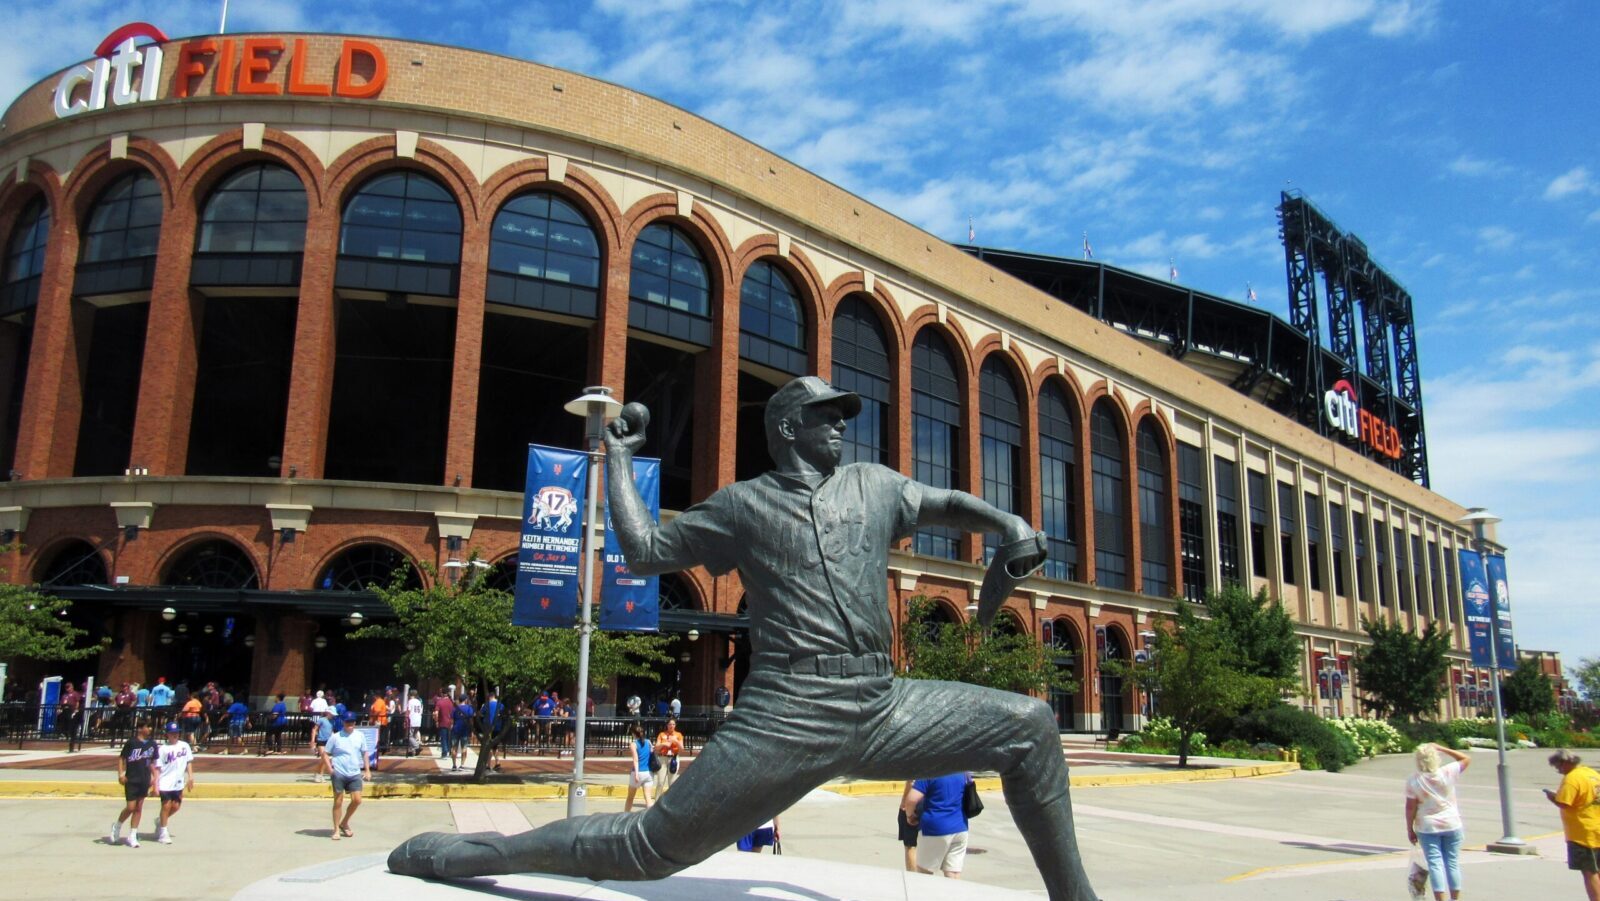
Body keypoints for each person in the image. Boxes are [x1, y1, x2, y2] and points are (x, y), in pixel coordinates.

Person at [389, 376, 1099, 901]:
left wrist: (1006, 524)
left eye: (842, 419)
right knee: (649, 847)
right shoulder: (743, 505)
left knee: (1030, 727)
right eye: (827, 418)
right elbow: (642, 550)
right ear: (788, 428)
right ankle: (466, 855)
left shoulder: (873, 485)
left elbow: (942, 503)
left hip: (881, 700)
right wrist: (619, 463)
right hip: (788, 709)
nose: (840, 429)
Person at [1405, 743, 1471, 901]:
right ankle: (1455, 898)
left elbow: (1410, 808)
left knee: (1435, 864)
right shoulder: (1447, 772)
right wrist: (1442, 748)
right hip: (1452, 823)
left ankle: (1440, 899)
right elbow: (1466, 758)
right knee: (1452, 862)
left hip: (1427, 826)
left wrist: (1410, 829)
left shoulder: (1414, 781)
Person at [1546, 749, 1600, 901]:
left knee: (1589, 871)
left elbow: (1564, 803)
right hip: (1597, 826)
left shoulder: (1572, 779)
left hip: (1582, 832)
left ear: (1565, 762)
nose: (1559, 771)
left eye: (1558, 767)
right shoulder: (1592, 774)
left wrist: (1551, 796)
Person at [903, 773, 971, 879]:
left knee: (925, 872)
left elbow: (911, 799)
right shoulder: (962, 771)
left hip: (934, 829)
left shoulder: (932, 772)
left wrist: (909, 815)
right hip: (960, 828)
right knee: (953, 873)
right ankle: (953, 895)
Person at [322, 713, 373, 840]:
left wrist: (367, 770)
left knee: (357, 800)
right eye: (347, 722)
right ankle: (335, 830)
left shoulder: (360, 736)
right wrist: (329, 768)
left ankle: (344, 823)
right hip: (339, 772)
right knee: (338, 801)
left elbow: (364, 753)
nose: (350, 725)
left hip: (354, 772)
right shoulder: (336, 737)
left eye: (352, 722)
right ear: (343, 723)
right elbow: (325, 753)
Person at [111, 721, 159, 848]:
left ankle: (132, 835)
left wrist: (155, 779)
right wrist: (121, 774)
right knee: (130, 807)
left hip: (144, 779)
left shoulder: (152, 744)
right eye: (147, 726)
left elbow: (153, 763)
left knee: (139, 807)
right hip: (132, 778)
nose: (149, 729)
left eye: (150, 726)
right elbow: (122, 758)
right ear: (140, 729)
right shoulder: (131, 743)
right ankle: (117, 826)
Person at [154, 722, 194, 844]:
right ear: (167, 734)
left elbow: (188, 761)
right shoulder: (162, 749)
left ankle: (160, 820)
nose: (175, 735)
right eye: (172, 733)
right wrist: (155, 784)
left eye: (176, 733)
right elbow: (157, 767)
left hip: (178, 782)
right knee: (166, 806)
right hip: (165, 781)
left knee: (176, 807)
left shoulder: (184, 746)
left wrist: (191, 777)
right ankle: (163, 831)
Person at [624, 725, 654, 812]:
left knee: (630, 797)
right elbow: (652, 752)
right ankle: (651, 817)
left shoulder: (633, 744)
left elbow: (636, 760)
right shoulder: (648, 742)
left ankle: (625, 815)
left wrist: (636, 774)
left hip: (638, 772)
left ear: (633, 734)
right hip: (649, 773)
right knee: (648, 798)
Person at [896, 780, 920, 871]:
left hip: (913, 805)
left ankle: (913, 876)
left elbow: (911, 782)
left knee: (911, 845)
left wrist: (904, 801)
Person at [654, 718, 685, 791]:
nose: (672, 726)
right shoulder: (662, 734)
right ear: (667, 725)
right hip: (663, 758)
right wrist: (663, 744)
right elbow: (656, 748)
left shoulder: (678, 735)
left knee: (672, 782)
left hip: (673, 758)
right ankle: (657, 800)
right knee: (660, 782)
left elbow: (682, 749)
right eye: (670, 724)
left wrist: (676, 741)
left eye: (673, 724)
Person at [312, 708, 337, 782]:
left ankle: (320, 774)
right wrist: (313, 740)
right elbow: (314, 729)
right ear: (328, 713)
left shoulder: (333, 721)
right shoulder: (321, 720)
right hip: (321, 740)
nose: (333, 715)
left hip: (329, 741)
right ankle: (317, 774)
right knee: (324, 757)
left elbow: (331, 731)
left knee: (325, 759)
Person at [434, 689, 456, 767]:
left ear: (442, 694)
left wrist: (436, 721)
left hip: (442, 722)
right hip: (450, 722)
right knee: (450, 738)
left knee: (443, 738)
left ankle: (444, 752)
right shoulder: (451, 702)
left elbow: (436, 713)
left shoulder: (439, 702)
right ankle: (450, 751)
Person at [452, 696, 475, 772]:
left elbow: (452, 720)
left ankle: (454, 765)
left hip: (455, 729)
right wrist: (472, 730)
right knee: (464, 748)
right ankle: (462, 765)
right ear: (465, 700)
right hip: (465, 730)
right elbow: (471, 720)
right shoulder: (469, 708)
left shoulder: (455, 708)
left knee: (454, 748)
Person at [60, 681, 84, 752]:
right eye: (66, 687)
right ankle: (65, 734)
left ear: (72, 687)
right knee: (64, 725)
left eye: (68, 687)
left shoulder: (75, 694)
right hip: (65, 711)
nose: (67, 689)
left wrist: (76, 710)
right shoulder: (64, 695)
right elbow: (61, 703)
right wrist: (59, 709)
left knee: (72, 727)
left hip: (72, 711)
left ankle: (72, 742)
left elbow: (77, 702)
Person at [406, 691, 423, 757]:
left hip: (412, 720)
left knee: (409, 736)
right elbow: (420, 711)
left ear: (411, 695)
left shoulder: (410, 701)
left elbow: (408, 711)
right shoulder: (419, 701)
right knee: (413, 736)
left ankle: (417, 746)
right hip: (418, 720)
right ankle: (412, 751)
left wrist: (406, 718)